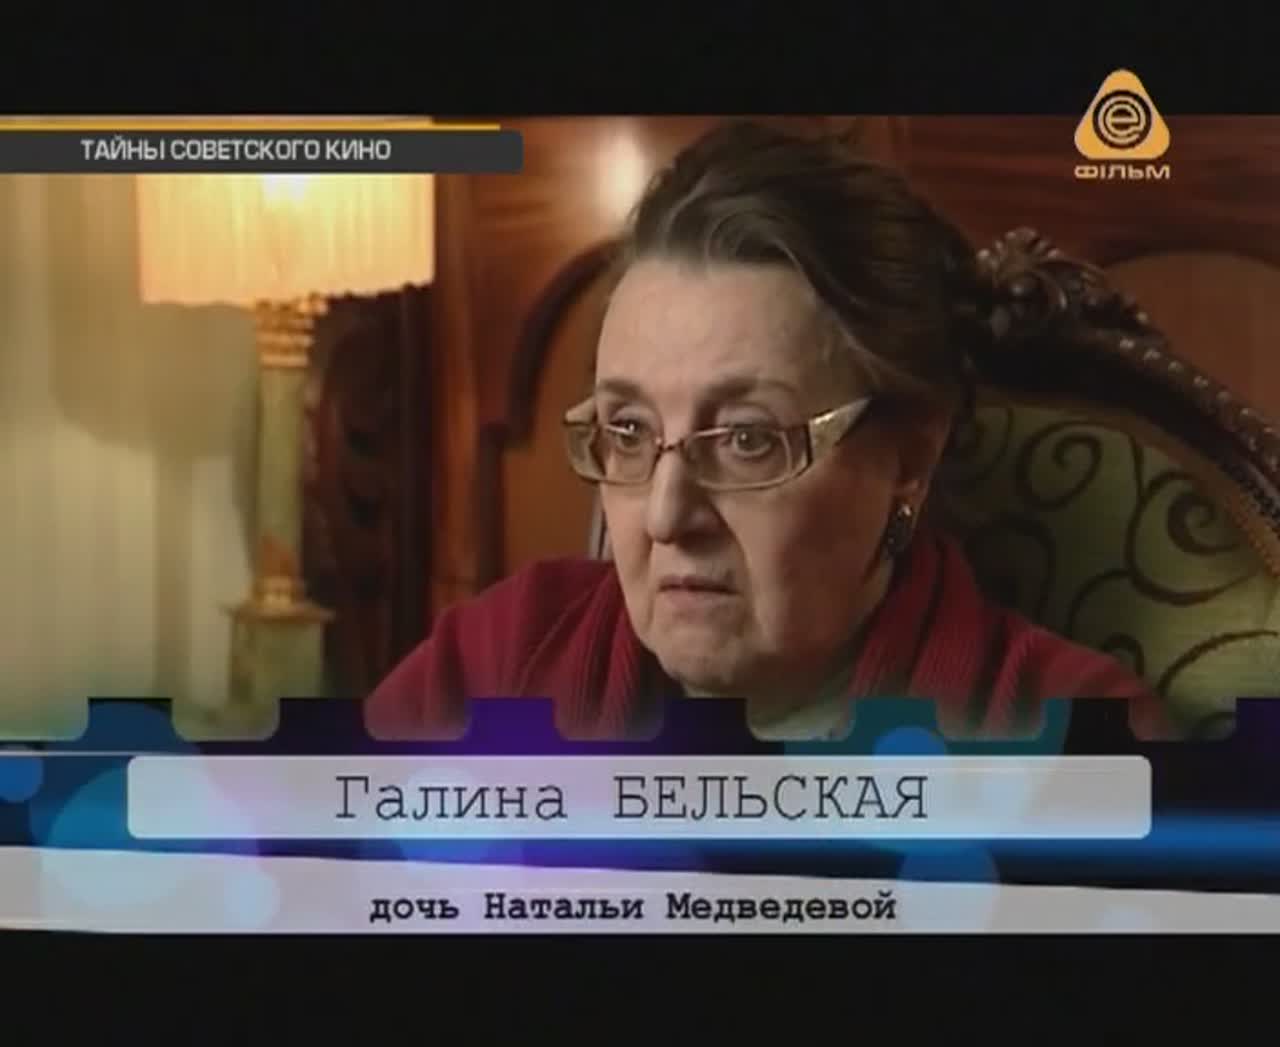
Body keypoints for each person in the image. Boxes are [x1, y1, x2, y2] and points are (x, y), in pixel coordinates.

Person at [365, 120, 1171, 744]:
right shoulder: (501, 658)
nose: (666, 516)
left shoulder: (1084, 742)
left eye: (747, 439)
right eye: (630, 429)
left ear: (909, 457)